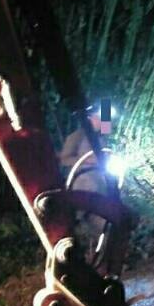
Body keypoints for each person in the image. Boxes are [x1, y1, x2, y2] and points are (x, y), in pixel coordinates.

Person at [59, 105, 113, 263]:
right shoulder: (76, 136)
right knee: (86, 226)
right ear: (90, 118)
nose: (103, 121)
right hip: (83, 188)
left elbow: (107, 124)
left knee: (106, 226)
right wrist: (86, 160)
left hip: (101, 187)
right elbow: (64, 159)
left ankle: (104, 261)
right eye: (99, 117)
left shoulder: (101, 139)